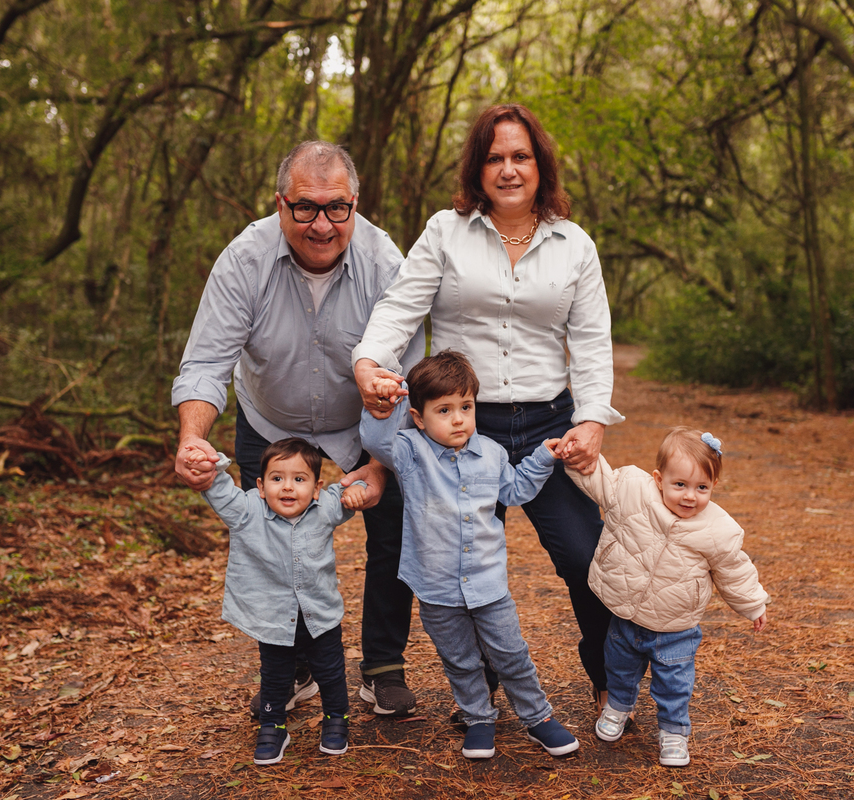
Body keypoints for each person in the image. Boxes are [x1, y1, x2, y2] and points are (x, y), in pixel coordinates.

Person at [352, 103, 624, 709]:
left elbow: (591, 340)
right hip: (459, 430)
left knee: (586, 558)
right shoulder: (445, 232)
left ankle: (613, 681)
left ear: (540, 164)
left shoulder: (574, 245)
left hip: (551, 427)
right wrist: (369, 363)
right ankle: (478, 694)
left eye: (520, 156)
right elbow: (400, 308)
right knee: (456, 568)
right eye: (495, 158)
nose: (508, 169)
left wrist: (593, 419)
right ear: (477, 169)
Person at [172, 141, 427, 717]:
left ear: (354, 205)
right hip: (273, 419)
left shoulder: (387, 263)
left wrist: (383, 464)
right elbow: (207, 364)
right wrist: (193, 437)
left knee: (394, 533)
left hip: (370, 420)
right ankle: (298, 666)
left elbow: (410, 377)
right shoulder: (244, 259)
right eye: (304, 207)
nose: (321, 224)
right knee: (270, 545)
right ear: (280, 203)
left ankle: (383, 665)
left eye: (336, 208)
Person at [360, 350, 579, 759]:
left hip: (487, 582)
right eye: (444, 410)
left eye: (466, 407)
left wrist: (543, 457)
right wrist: (389, 397)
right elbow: (374, 439)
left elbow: (514, 491)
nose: (459, 418)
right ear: (420, 418)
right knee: (460, 660)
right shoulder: (409, 451)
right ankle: (478, 718)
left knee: (511, 655)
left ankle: (538, 717)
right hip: (436, 586)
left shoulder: (492, 453)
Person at [566, 427, 770, 767]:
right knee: (618, 668)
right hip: (627, 616)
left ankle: (674, 732)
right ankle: (618, 707)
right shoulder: (632, 490)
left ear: (713, 487)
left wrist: (753, 604)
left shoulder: (718, 530)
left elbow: (735, 570)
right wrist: (576, 457)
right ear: (659, 479)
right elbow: (598, 479)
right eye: (680, 485)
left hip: (676, 628)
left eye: (701, 487)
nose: (690, 496)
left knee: (674, 685)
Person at [188, 439, 365, 764]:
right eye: (277, 478)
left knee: (330, 671)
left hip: (320, 615)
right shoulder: (247, 511)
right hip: (273, 619)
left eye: (299, 479)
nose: (287, 487)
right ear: (260, 485)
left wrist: (360, 489)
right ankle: (273, 726)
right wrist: (208, 464)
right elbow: (220, 489)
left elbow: (352, 490)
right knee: (275, 675)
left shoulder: (325, 506)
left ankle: (336, 719)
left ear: (316, 488)